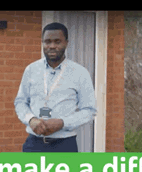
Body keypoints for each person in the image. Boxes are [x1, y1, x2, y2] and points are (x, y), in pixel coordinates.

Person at [14, 22, 97, 152]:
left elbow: (89, 110)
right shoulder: (31, 70)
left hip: (64, 145)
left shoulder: (80, 73)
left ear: (66, 43)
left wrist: (62, 122)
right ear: (42, 43)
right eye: (47, 42)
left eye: (57, 42)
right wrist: (31, 119)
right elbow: (20, 102)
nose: (52, 46)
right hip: (33, 144)